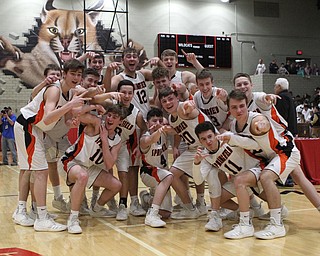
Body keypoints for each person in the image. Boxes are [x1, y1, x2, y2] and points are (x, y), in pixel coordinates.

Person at [12, 59, 90, 232]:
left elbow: (60, 118)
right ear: (64, 74)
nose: (76, 77)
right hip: (28, 126)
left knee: (33, 170)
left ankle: (28, 211)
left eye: (79, 74)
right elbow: (47, 118)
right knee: (40, 171)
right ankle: (40, 217)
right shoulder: (55, 90)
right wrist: (69, 106)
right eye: (73, 74)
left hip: (36, 129)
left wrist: (70, 122)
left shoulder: (70, 92)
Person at [61, 104, 125, 233]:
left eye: (115, 117)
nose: (110, 119)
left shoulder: (117, 140)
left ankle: (97, 209)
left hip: (88, 167)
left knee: (117, 185)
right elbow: (77, 113)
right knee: (82, 176)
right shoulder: (97, 123)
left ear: (120, 121)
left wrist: (104, 141)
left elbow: (109, 165)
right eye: (109, 115)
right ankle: (73, 219)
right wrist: (94, 106)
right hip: (70, 161)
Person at [193, 121, 263, 233]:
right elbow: (198, 180)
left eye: (210, 136)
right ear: (200, 141)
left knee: (270, 199)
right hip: (239, 181)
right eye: (204, 139)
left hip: (257, 171)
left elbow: (255, 144)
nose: (208, 141)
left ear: (215, 134)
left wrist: (234, 138)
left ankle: (271, 210)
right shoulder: (205, 156)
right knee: (216, 199)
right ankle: (241, 211)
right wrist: (196, 164)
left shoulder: (227, 139)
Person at [158, 87, 212, 219]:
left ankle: (197, 206)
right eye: (164, 101)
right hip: (194, 148)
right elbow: (179, 131)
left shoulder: (183, 108)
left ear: (177, 98)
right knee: (172, 175)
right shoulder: (171, 118)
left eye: (171, 99)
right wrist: (172, 139)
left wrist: (189, 105)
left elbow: (189, 110)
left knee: (209, 177)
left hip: (208, 147)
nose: (168, 103)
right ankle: (194, 207)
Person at [139, 108, 173, 227]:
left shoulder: (165, 131)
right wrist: (158, 130)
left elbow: (177, 131)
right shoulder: (144, 138)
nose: (157, 123)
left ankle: (147, 198)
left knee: (166, 214)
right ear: (147, 123)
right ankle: (151, 215)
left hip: (162, 173)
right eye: (154, 121)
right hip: (148, 173)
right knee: (168, 177)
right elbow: (151, 139)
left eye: (160, 120)